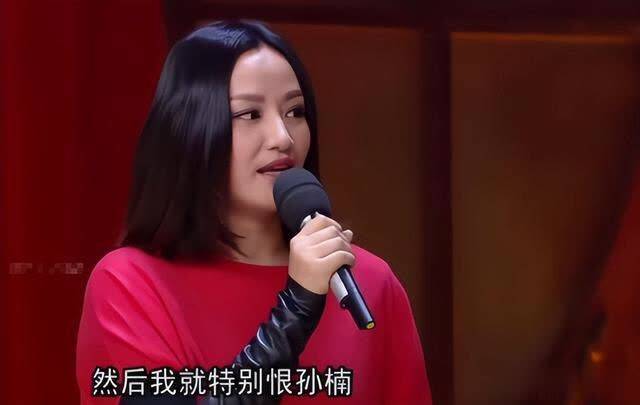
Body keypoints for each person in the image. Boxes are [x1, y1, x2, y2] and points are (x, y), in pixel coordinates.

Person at [75, 20, 432, 404]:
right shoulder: (131, 283)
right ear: (190, 130)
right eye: (249, 114)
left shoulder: (372, 283)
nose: (283, 137)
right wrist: (298, 304)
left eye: (295, 111)